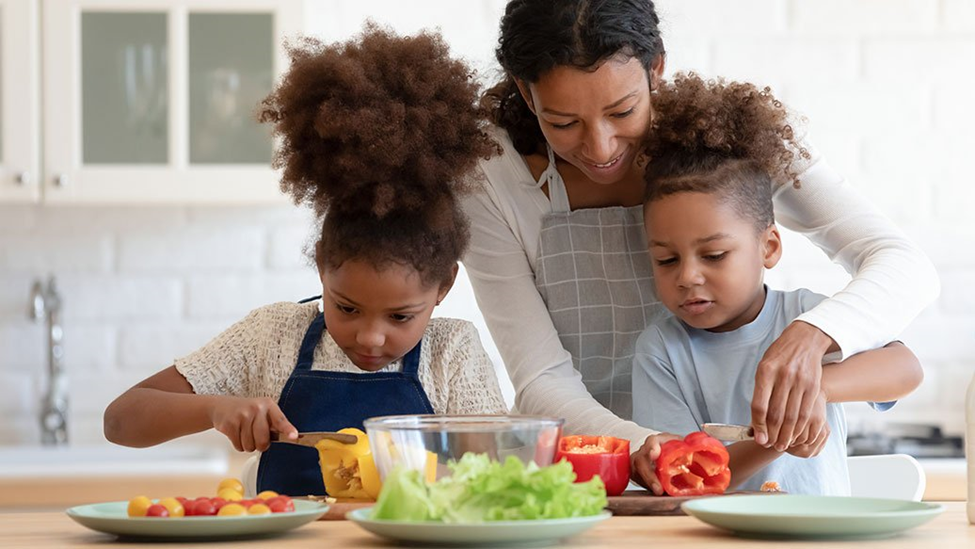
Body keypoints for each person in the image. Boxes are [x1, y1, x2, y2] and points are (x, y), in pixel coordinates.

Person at [463, 0, 938, 465]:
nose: (600, 146)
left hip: (711, 465)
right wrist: (656, 449)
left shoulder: (732, 142)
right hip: (592, 465)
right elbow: (540, 379)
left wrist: (813, 337)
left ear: (656, 70)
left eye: (623, 111)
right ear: (527, 95)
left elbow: (902, 263)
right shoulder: (491, 179)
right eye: (563, 123)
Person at [103, 26, 506, 496]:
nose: (370, 336)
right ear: (321, 266)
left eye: (400, 316)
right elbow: (121, 419)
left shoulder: (452, 353)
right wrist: (216, 409)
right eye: (347, 307)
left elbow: (496, 474)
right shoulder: (271, 336)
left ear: (444, 286)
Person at [628, 74, 923, 495]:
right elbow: (686, 476)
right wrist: (779, 437)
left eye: (713, 256)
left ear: (768, 247)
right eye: (666, 259)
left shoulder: (808, 317)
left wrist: (816, 389)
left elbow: (907, 370)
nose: (687, 276)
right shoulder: (661, 350)